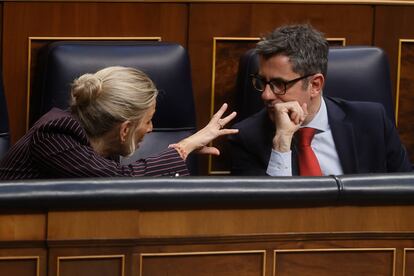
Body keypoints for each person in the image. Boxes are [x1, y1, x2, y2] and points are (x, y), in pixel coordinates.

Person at [229, 24, 412, 176]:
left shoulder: (372, 121)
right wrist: (281, 145)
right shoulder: (246, 138)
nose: (266, 95)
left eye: (279, 84)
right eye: (262, 81)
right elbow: (259, 213)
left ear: (315, 85)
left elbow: (405, 191)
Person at [0, 66, 238, 179]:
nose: (151, 129)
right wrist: (184, 147)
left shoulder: (101, 140)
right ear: (125, 129)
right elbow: (118, 183)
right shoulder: (55, 133)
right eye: (149, 121)